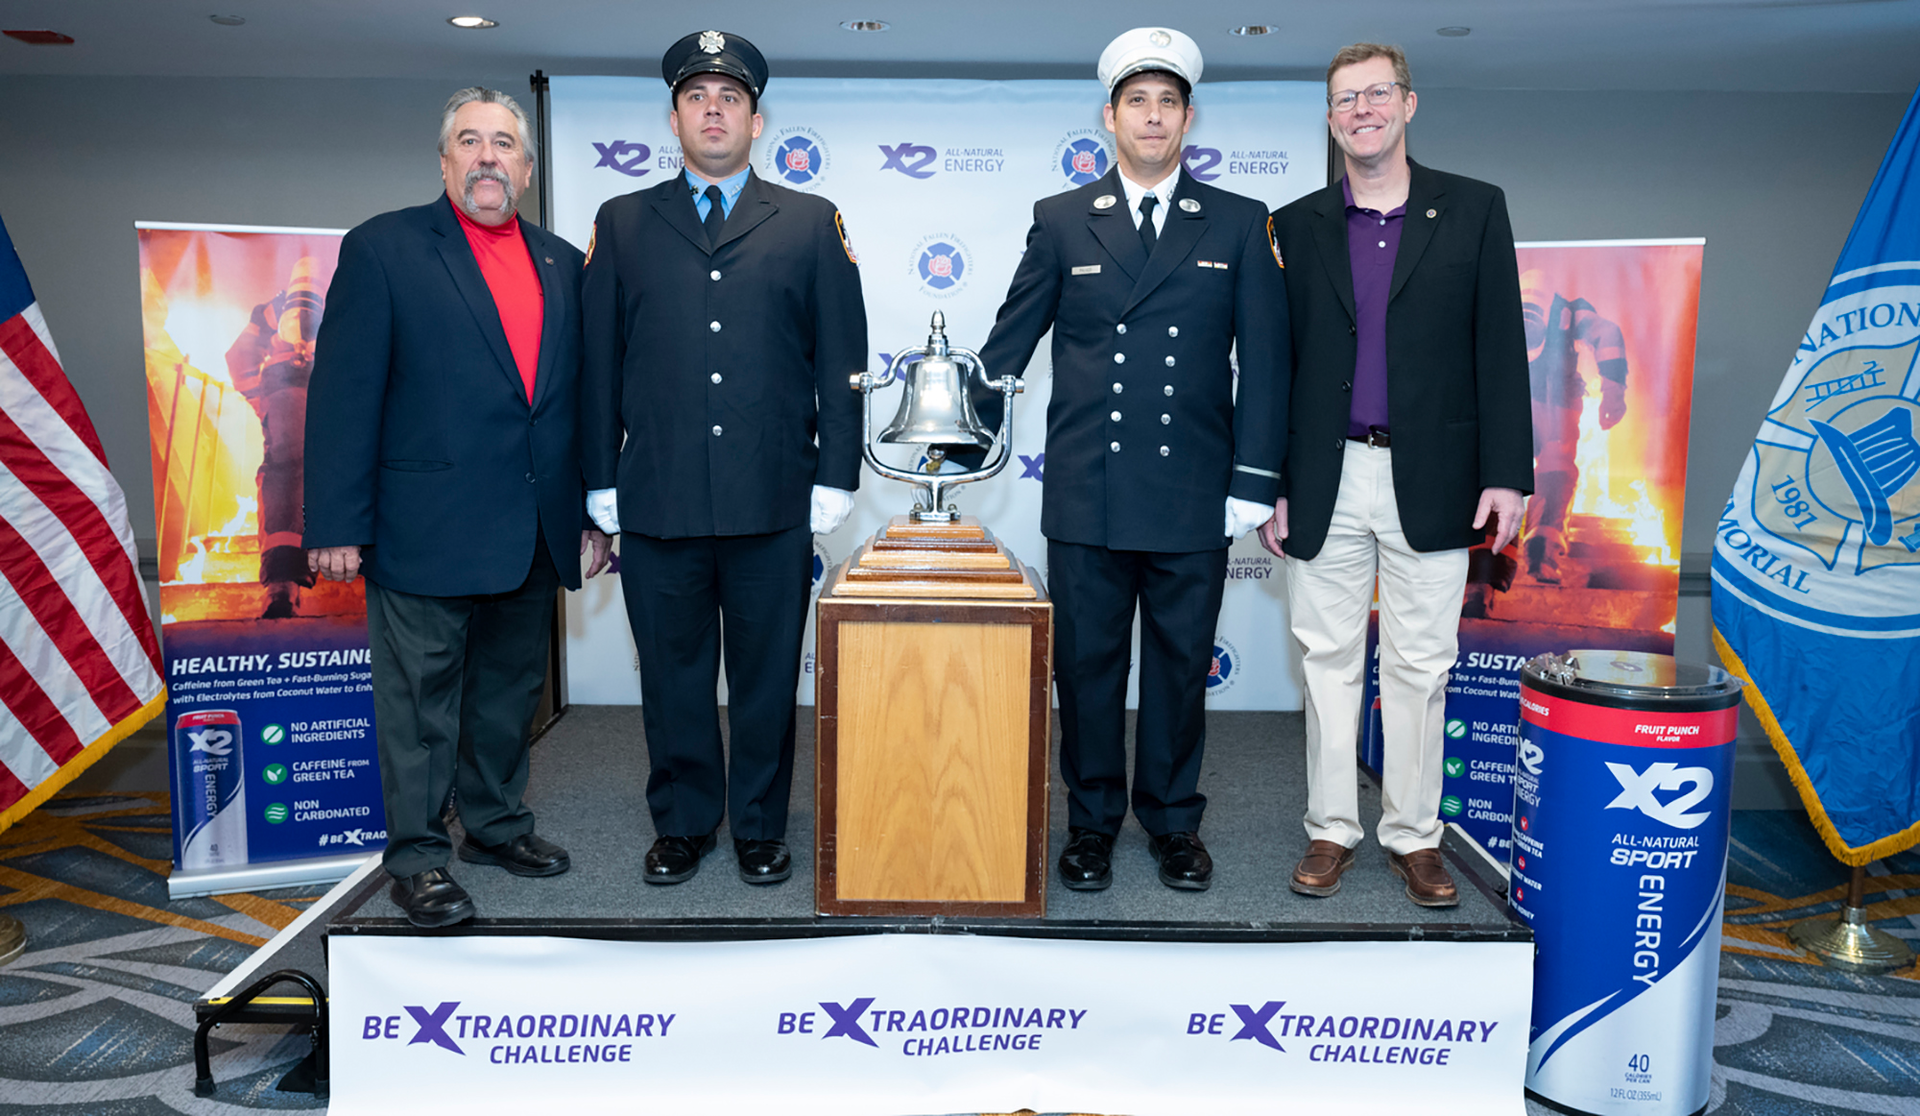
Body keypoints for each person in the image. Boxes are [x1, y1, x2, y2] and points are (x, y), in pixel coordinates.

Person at [970, 27, 1288, 892]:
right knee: (1088, 668)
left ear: (1189, 118)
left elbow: (1266, 362)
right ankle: (1091, 823)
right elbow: (1008, 346)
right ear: (1109, 117)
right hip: (1090, 490)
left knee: (1182, 668)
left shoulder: (1239, 221)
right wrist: (953, 434)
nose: (1153, 117)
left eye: (1168, 102)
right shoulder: (1062, 218)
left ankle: (1175, 822)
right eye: (1137, 102)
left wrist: (1254, 479)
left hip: (1194, 489)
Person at [304, 87, 609, 928]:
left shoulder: (563, 264)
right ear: (444, 163)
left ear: (527, 168)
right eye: (469, 142)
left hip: (533, 527)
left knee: (509, 694)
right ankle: (417, 857)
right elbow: (344, 393)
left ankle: (496, 825)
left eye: (503, 143)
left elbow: (576, 402)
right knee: (419, 708)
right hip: (423, 527)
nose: (487, 157)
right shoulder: (385, 248)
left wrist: (591, 512)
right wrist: (336, 522)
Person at [580, 31, 865, 888]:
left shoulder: (811, 221)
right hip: (657, 496)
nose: (714, 110)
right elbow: (597, 362)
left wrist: (836, 474)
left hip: (773, 498)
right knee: (673, 677)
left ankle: (759, 826)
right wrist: (599, 477)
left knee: (767, 677)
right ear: (673, 119)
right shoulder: (623, 222)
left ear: (756, 120)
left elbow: (841, 359)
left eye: (730, 98)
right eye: (697, 97)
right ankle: (683, 822)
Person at [1262, 43, 1531, 907]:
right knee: (1327, 662)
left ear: (1408, 105)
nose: (1363, 111)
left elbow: (1500, 347)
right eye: (1346, 99)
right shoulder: (1292, 224)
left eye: (1378, 94)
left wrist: (1507, 474)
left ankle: (1415, 837)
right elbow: (1273, 364)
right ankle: (1331, 828)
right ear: (1330, 117)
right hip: (1324, 474)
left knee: (1421, 665)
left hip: (1437, 475)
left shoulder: (1475, 208)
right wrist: (1269, 481)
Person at [1518, 268, 1630, 584]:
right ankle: (1541, 554)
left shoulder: (1494, 305)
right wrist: (1613, 392)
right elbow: (1607, 334)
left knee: (1495, 479)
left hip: (1510, 407)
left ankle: (1480, 577)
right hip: (1555, 409)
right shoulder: (1570, 312)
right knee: (1555, 470)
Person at [226, 256, 323, 619]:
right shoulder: (343, 304)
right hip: (327, 386)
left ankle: (282, 585)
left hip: (281, 386)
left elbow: (240, 357)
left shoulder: (272, 310)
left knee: (284, 472)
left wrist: (261, 400)